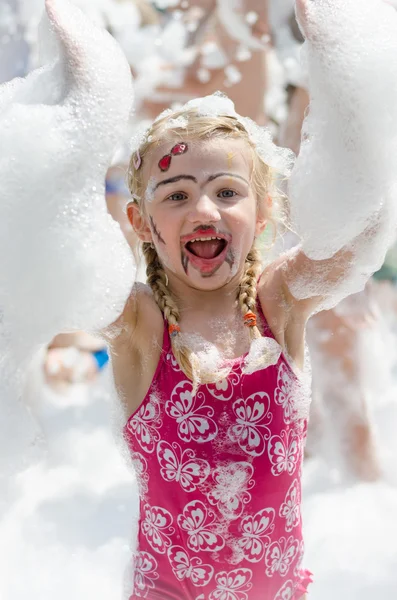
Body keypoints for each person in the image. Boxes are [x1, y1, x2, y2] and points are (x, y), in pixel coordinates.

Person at [3, 0, 397, 599]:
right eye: (177, 194)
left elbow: (364, 227)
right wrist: (79, 103)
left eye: (227, 190)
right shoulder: (140, 325)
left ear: (263, 212)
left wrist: (354, 87)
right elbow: (52, 244)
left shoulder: (279, 303)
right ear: (140, 221)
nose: (204, 210)